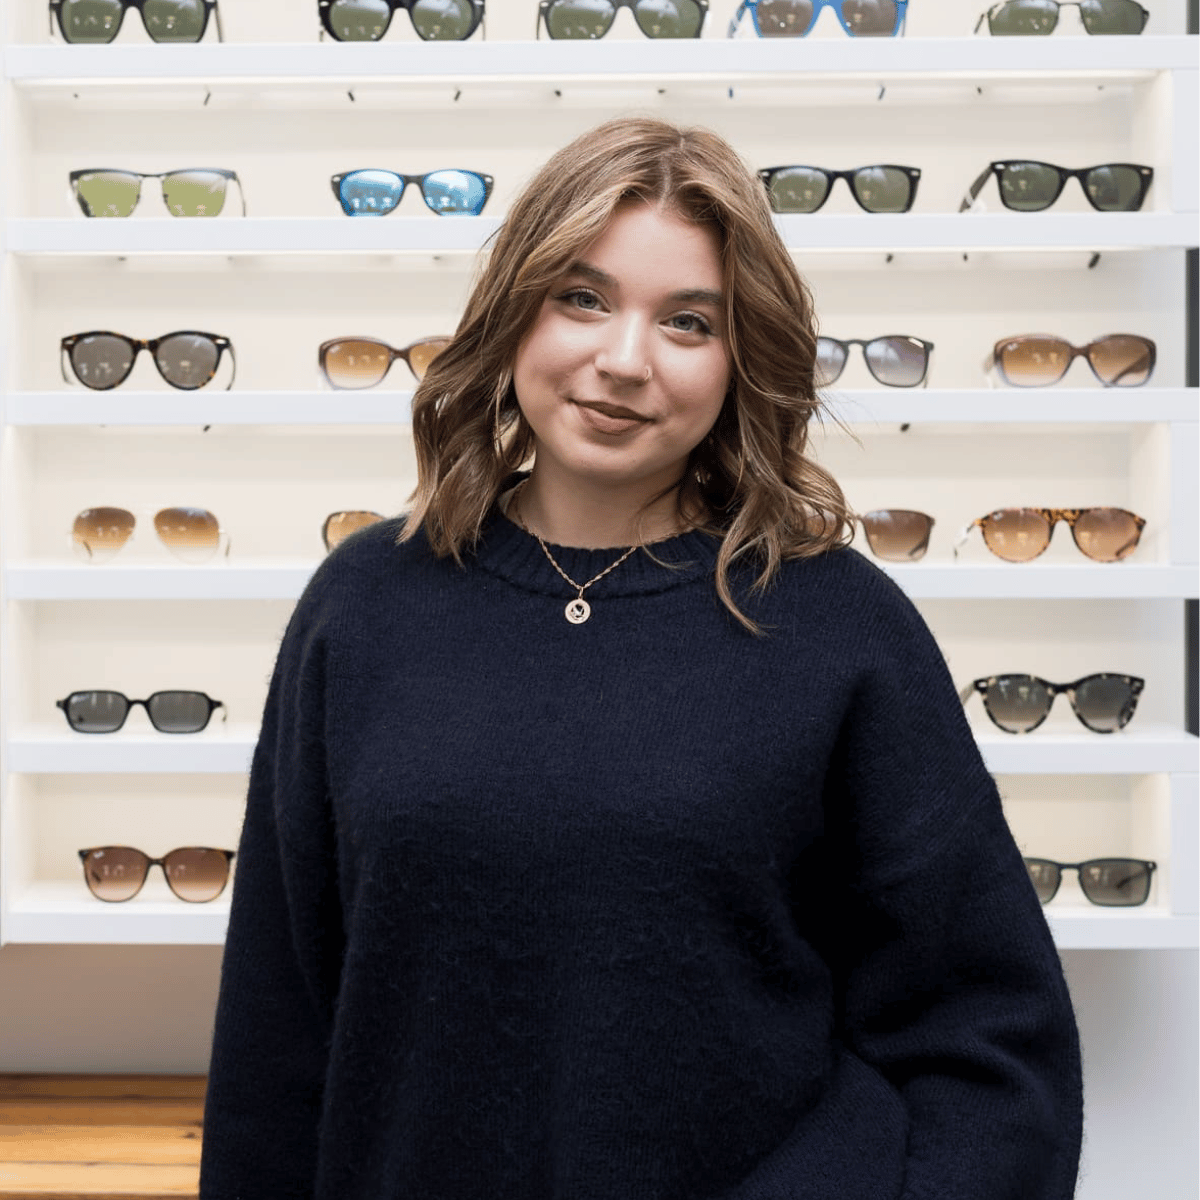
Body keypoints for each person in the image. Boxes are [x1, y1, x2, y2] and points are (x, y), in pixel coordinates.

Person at [199, 116, 1083, 1199]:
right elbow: (277, 1030)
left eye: (687, 322)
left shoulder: (841, 628)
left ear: (740, 358)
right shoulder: (365, 604)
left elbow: (992, 1048)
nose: (623, 361)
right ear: (514, 309)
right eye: (582, 297)